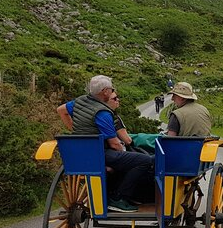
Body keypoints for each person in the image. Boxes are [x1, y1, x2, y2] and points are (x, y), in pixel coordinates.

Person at [56, 75, 152, 213]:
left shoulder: (78, 102)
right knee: (145, 160)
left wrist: (75, 130)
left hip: (80, 154)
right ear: (105, 91)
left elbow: (61, 110)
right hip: (99, 154)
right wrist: (128, 155)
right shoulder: (102, 113)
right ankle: (119, 198)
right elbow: (115, 145)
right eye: (112, 89)